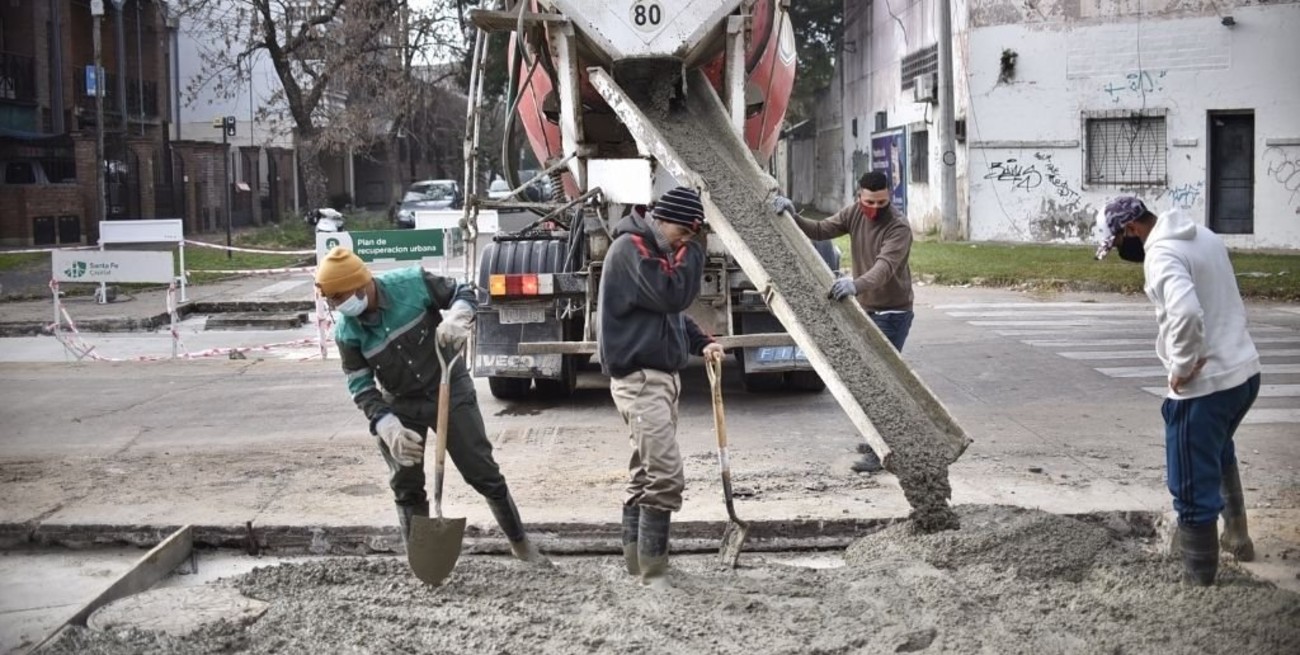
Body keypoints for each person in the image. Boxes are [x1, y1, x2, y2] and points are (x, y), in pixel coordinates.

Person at [315, 247, 546, 563]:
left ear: (359, 286)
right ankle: (424, 560)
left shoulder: (412, 284)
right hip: (400, 403)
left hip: (448, 385)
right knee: (405, 481)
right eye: (332, 302)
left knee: (482, 470)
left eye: (337, 298)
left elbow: (463, 291)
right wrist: (385, 424)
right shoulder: (347, 331)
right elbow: (360, 384)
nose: (336, 307)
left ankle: (520, 544)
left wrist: (458, 314)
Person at [1097, 196, 1261, 586]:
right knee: (1218, 449)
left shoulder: (1161, 255)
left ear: (1132, 228)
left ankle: (1198, 579)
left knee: (1190, 482)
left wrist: (1183, 367)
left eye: (1119, 243)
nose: (1123, 251)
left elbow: (1186, 313)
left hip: (1205, 387)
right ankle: (1237, 535)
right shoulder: (1203, 236)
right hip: (1244, 373)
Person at [598, 186, 725, 589]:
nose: (684, 244)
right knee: (666, 477)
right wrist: (698, 249)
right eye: (683, 235)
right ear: (663, 220)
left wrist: (701, 341)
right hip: (639, 381)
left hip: (658, 380)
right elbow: (673, 295)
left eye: (690, 240)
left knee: (646, 475)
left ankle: (639, 567)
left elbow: (670, 315)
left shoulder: (651, 249)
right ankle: (654, 574)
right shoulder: (630, 249)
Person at [774, 171, 915, 473]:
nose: (875, 208)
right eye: (869, 202)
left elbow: (884, 268)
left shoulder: (898, 227)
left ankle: (883, 452)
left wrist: (856, 285)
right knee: (868, 379)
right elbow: (822, 229)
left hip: (893, 313)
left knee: (878, 382)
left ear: (889, 197)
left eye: (881, 202)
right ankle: (879, 439)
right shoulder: (854, 213)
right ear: (858, 197)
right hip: (868, 309)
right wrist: (792, 215)